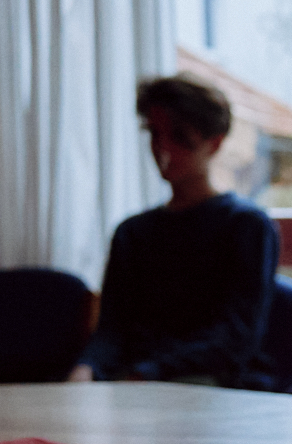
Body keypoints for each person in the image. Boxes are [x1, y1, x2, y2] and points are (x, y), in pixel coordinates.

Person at [71, 75, 277, 386]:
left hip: (216, 388)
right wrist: (86, 369)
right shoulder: (132, 232)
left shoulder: (247, 227)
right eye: (155, 134)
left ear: (215, 143)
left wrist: (148, 373)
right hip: (136, 384)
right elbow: (112, 330)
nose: (162, 149)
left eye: (179, 137)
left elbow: (234, 339)